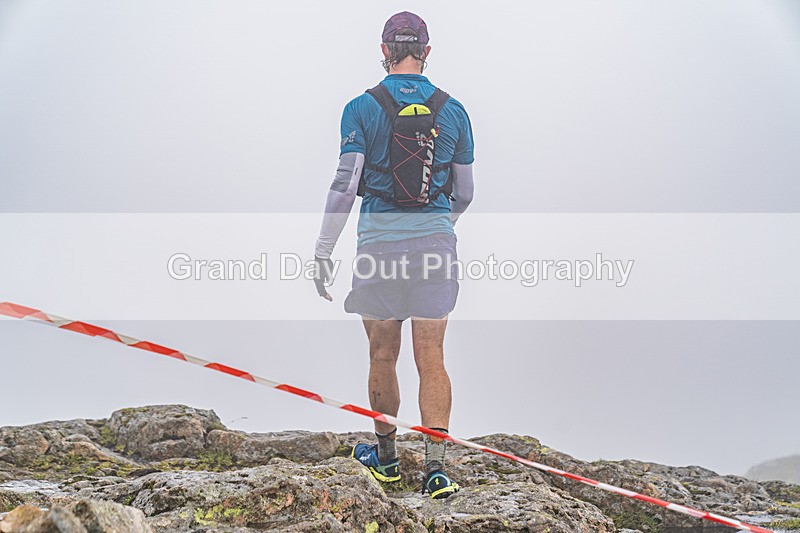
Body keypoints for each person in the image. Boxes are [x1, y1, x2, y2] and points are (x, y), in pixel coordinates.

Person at [313, 11, 474, 500]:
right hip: (434, 246)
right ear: (426, 51)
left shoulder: (360, 108)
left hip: (379, 245)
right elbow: (464, 193)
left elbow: (345, 186)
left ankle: (385, 461)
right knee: (432, 356)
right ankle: (436, 469)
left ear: (384, 51)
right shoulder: (455, 112)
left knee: (382, 353)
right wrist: (437, 228)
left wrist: (323, 249)